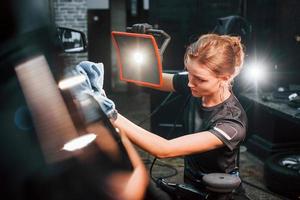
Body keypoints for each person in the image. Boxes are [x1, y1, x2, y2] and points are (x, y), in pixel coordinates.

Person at [110, 33, 248, 199]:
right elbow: (147, 79)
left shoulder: (231, 123)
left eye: (199, 79)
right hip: (190, 186)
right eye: (189, 73)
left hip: (220, 195)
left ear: (224, 79)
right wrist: (140, 45)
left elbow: (164, 149)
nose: (190, 83)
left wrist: (111, 114)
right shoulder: (195, 85)